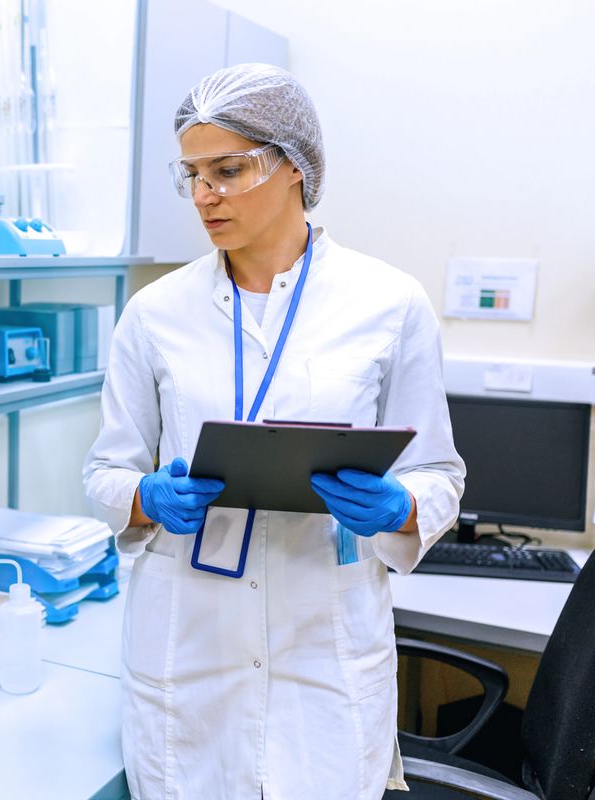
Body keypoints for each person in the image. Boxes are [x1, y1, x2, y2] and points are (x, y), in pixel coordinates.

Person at [84, 63, 465, 800]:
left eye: (228, 169)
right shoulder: (154, 313)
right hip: (187, 647)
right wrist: (143, 496)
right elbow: (104, 471)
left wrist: (402, 508)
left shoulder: (389, 302)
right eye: (191, 173)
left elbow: (439, 473)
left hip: (325, 645)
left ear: (294, 165)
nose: (204, 194)